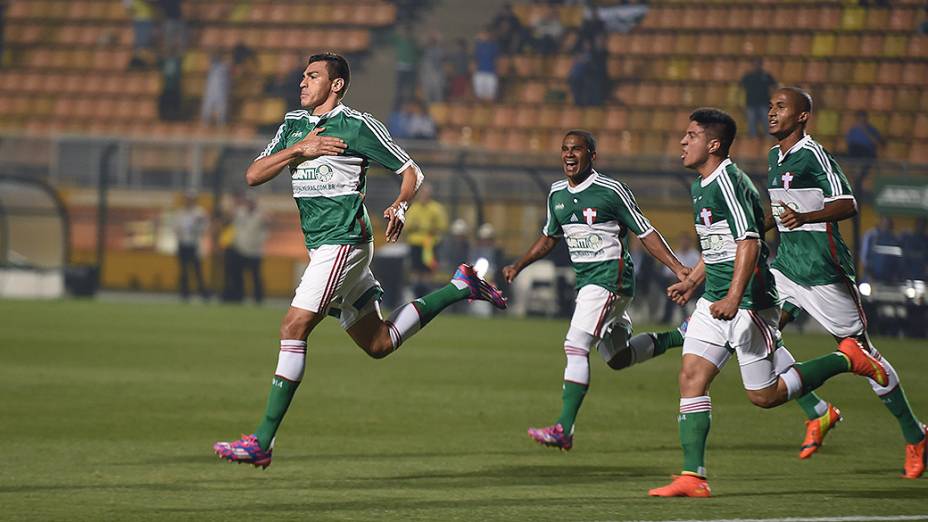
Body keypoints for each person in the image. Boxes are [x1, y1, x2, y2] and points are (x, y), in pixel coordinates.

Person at [212, 52, 507, 468]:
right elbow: (253, 174)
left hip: (345, 241)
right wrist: (301, 149)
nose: (303, 82)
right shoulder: (293, 126)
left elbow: (411, 171)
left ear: (336, 85)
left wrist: (401, 205)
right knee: (379, 342)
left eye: (313, 76)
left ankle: (263, 441)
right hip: (322, 246)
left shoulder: (358, 126)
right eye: (302, 75)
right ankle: (461, 286)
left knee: (293, 325)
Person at [649, 108, 890, 498]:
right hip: (716, 300)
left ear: (713, 144)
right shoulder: (700, 184)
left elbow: (749, 241)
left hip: (749, 303)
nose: (682, 141)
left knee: (764, 396)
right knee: (691, 379)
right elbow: (720, 246)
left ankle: (847, 358)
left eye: (691, 135)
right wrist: (694, 281)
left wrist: (733, 296)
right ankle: (692, 477)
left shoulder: (728, 182)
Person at [765, 87, 925, 477]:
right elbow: (776, 213)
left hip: (823, 272)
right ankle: (818, 413)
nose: (772, 112)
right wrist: (750, 233)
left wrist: (805, 217)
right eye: (770, 106)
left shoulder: (814, 154)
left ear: (803, 116)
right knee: (756, 336)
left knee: (865, 356)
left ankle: (915, 434)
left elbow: (850, 203)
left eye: (781, 107)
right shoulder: (774, 157)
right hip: (786, 269)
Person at [502, 130, 692, 452]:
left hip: (610, 278)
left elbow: (645, 233)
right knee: (617, 358)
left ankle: (564, 429)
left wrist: (677, 268)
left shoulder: (611, 191)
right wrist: (519, 264)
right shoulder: (556, 194)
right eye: (564, 149)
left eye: (577, 149)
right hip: (590, 283)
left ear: (592, 155)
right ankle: (681, 335)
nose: (569, 155)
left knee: (575, 346)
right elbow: (549, 237)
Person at [402, 183, 448, 296]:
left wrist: (426, 228)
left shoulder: (436, 209)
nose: (424, 195)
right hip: (416, 243)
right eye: (422, 193)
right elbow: (406, 226)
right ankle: (415, 294)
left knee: (429, 270)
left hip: (430, 244)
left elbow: (442, 226)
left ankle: (427, 294)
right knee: (416, 269)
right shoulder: (413, 209)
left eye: (426, 193)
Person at [173, 192, 210, 301]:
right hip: (183, 244)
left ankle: (203, 293)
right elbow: (175, 228)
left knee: (197, 271)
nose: (188, 201)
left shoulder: (199, 212)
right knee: (183, 271)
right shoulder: (180, 213)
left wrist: (197, 229)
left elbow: (205, 226)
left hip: (194, 244)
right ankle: (185, 294)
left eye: (190, 199)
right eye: (187, 199)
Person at [231, 195, 267, 304]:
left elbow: (266, 228)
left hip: (255, 250)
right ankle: (239, 296)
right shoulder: (240, 213)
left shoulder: (260, 215)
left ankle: (258, 298)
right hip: (241, 248)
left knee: (256, 276)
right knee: (239, 276)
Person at [739, 58, 777, 138]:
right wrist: (741, 103)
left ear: (761, 65)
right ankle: (753, 142)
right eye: (754, 64)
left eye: (758, 64)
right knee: (751, 125)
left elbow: (774, 87)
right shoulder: (747, 77)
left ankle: (769, 141)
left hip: (764, 103)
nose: (756, 66)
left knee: (766, 123)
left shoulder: (766, 76)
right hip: (750, 104)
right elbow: (741, 90)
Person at [860, 215, 903, 283]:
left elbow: (898, 259)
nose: (885, 225)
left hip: (889, 279)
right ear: (879, 222)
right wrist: (869, 274)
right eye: (883, 222)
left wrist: (895, 276)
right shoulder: (870, 235)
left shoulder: (894, 238)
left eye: (887, 223)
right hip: (870, 277)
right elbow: (864, 258)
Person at [200, 52, 231, 126]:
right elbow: (204, 68)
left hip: (221, 92)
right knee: (207, 108)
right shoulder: (211, 67)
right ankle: (205, 124)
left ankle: (221, 123)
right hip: (210, 92)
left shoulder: (224, 67)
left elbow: (231, 72)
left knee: (221, 109)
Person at [472, 30, 500, 102]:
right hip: (479, 73)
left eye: (484, 35)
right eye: (481, 35)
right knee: (479, 95)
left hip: (490, 72)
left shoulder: (493, 46)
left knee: (490, 95)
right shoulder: (478, 46)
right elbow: (475, 60)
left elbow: (496, 60)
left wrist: (496, 70)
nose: (482, 36)